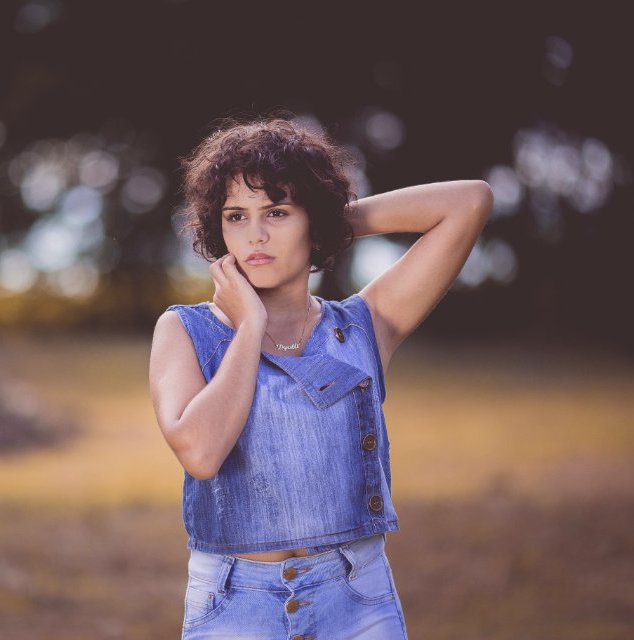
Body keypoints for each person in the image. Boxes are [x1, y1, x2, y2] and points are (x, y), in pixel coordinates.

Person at [148, 115, 493, 639]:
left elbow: (469, 201)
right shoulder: (183, 330)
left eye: (278, 212)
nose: (256, 235)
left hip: (357, 601)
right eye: (236, 216)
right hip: (235, 605)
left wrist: (328, 217)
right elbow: (200, 452)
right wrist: (249, 329)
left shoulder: (367, 324)